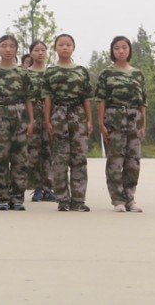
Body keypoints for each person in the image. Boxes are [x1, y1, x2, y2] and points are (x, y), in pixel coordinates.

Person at [0, 35, 34, 211]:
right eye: (4, 46)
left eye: (12, 46)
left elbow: (29, 98)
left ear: (17, 49)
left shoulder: (23, 72)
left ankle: (17, 197)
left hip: (20, 114)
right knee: (1, 157)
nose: (8, 49)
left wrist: (31, 120)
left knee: (20, 158)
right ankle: (2, 197)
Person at [43, 34, 94, 212]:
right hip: (58, 114)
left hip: (78, 114)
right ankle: (63, 199)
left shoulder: (81, 71)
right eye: (61, 44)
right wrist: (48, 120)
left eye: (68, 45)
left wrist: (89, 120)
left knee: (79, 158)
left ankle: (79, 200)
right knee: (60, 159)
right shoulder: (50, 71)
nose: (65, 47)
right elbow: (47, 97)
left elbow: (87, 97)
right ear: (55, 48)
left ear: (73, 47)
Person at [96, 36, 147, 213]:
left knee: (133, 161)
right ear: (112, 51)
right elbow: (101, 100)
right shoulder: (106, 74)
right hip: (114, 117)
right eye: (117, 48)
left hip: (134, 117)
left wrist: (143, 124)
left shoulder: (137, 74)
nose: (121, 51)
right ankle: (117, 199)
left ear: (129, 50)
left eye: (124, 47)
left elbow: (142, 102)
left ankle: (130, 198)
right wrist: (101, 123)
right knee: (115, 160)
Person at [27, 41, 55, 202]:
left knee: (49, 151)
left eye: (43, 50)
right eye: (36, 50)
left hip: (50, 114)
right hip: (33, 115)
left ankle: (48, 188)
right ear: (31, 54)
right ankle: (37, 188)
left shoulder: (51, 73)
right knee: (34, 152)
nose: (40, 53)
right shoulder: (26, 74)